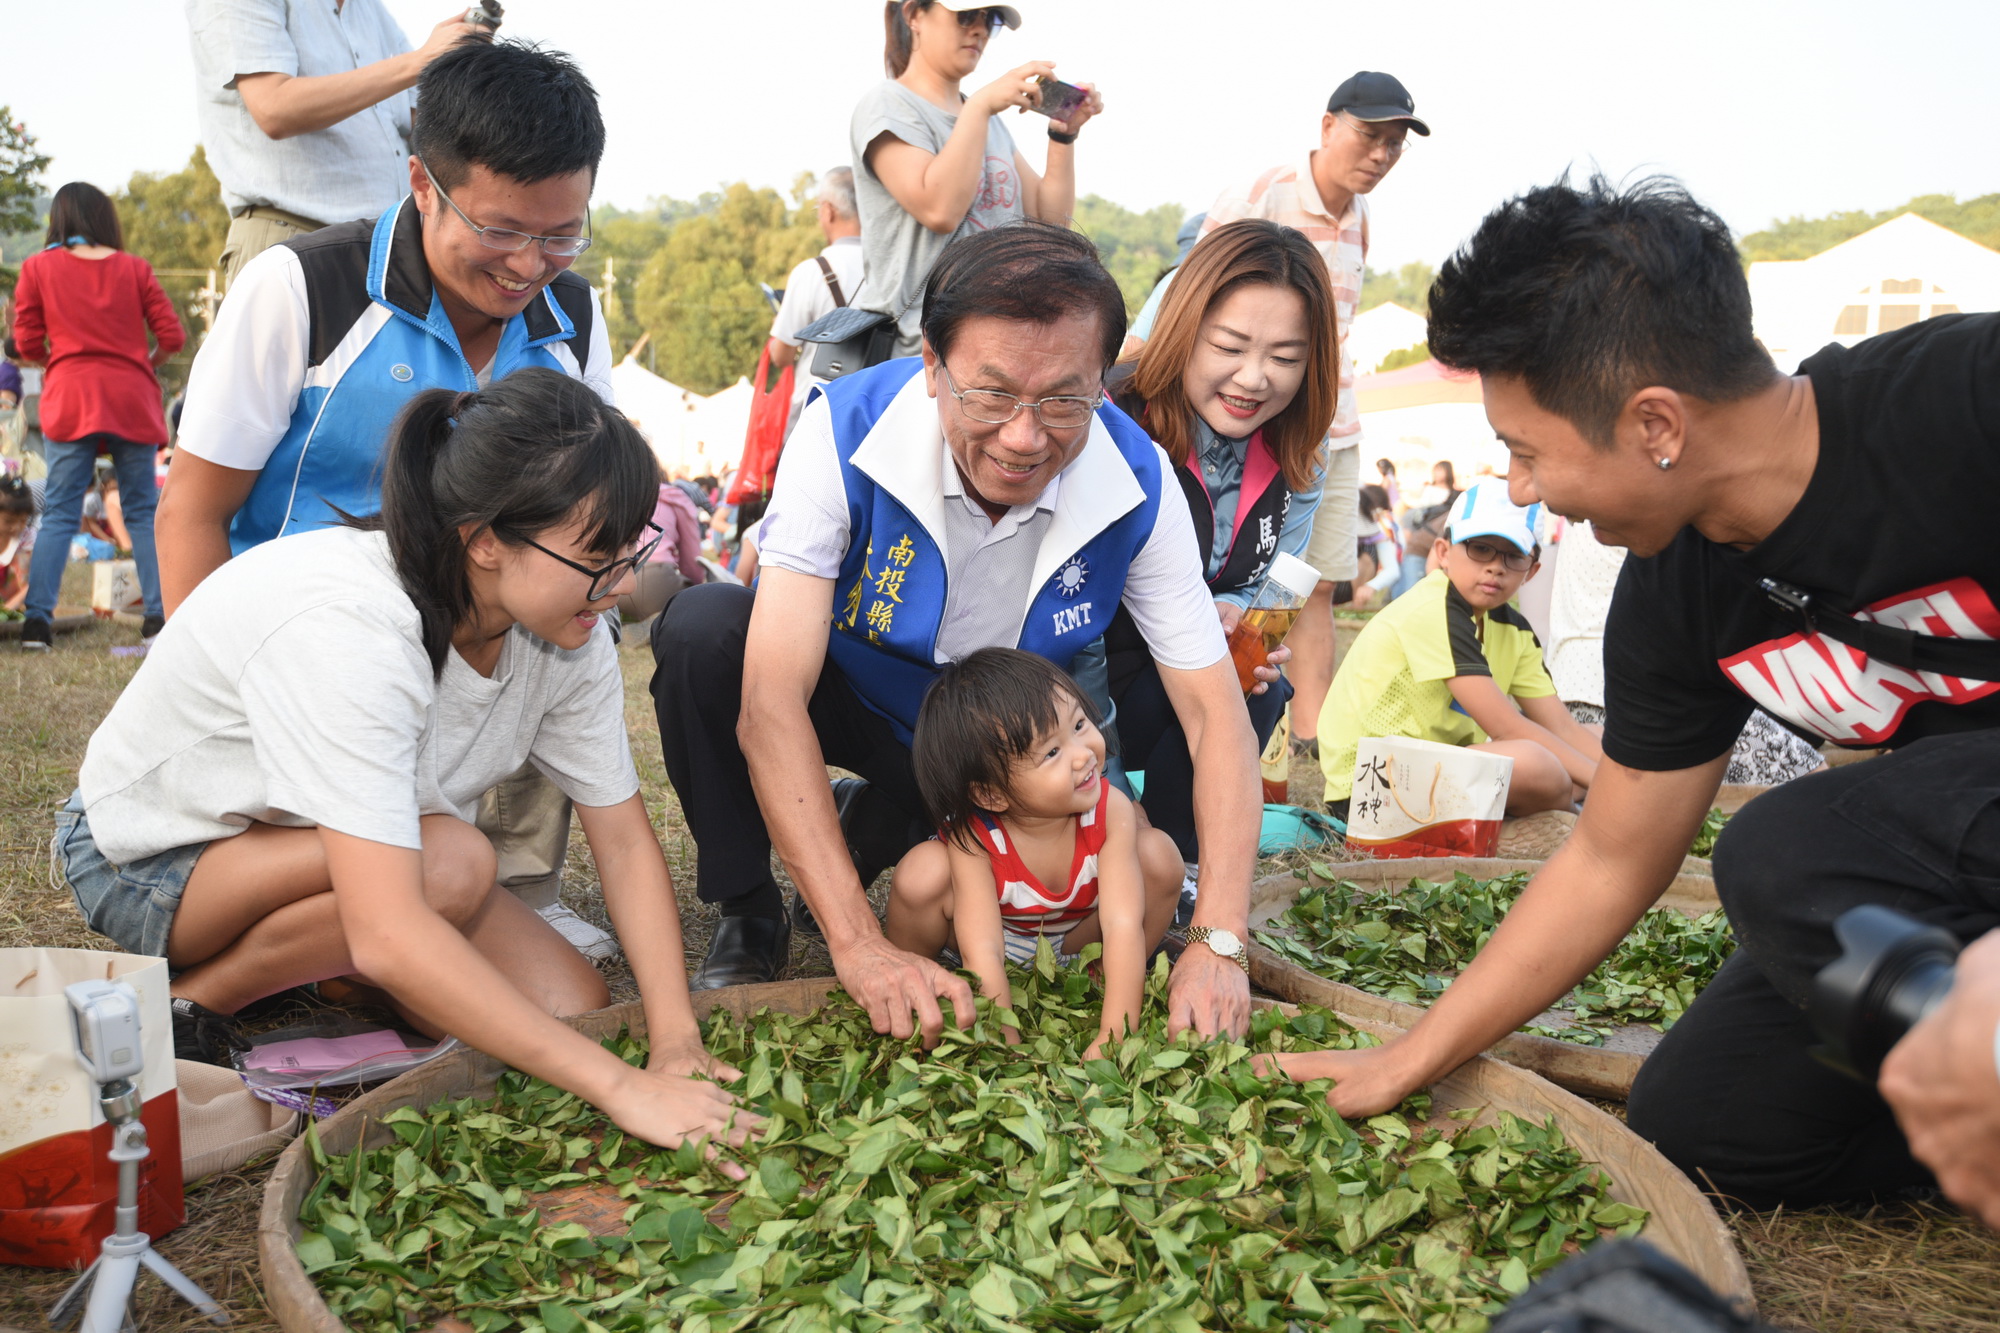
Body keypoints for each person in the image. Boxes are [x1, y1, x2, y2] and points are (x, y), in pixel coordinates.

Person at [1273, 173, 2000, 1214]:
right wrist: (1406, 1057)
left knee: (1783, 851)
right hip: (1949, 872)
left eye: (1526, 453)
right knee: (1708, 1126)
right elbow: (1611, 854)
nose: (1519, 491)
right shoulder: (1680, 587)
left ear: (1653, 421)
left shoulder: (1958, 404)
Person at [56, 370, 760, 1163]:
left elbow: (625, 840)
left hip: (311, 847)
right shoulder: (357, 626)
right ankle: (193, 1000)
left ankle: (324, 973)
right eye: (598, 554)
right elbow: (390, 930)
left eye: (632, 547)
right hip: (149, 859)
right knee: (453, 864)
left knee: (569, 1004)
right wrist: (623, 1087)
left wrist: (673, 1036)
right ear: (485, 538)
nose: (624, 584)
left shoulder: (568, 632)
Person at [650, 223, 1262, 1046]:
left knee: (944, 857)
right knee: (705, 631)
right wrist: (860, 946)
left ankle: (883, 816)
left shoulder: (1137, 479)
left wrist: (1220, 937)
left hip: (989, 740)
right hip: (852, 694)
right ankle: (749, 906)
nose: (1024, 437)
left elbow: (1215, 712)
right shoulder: (843, 431)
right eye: (992, 394)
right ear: (932, 366)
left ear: (1103, 387)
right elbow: (770, 701)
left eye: (1064, 400)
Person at [159, 38, 617, 959]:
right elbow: (194, 509)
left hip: (467, 654)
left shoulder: (572, 316)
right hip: (310, 665)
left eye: (561, 232)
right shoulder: (303, 289)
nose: (530, 265)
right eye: (499, 229)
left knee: (568, 595)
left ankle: (523, 874)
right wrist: (209, 687)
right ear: (420, 181)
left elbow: (591, 513)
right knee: (407, 900)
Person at [1106, 217, 1337, 865]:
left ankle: (1179, 859)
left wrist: (1249, 620)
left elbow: (1283, 586)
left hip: (1186, 675)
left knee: (1256, 674)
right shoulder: (1112, 419)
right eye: (1231, 346)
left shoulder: (1302, 458)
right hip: (1084, 668)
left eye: (1286, 358)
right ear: (1184, 330)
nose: (1255, 378)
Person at [884, 648, 1182, 1058]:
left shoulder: (1110, 810)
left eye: (1079, 724)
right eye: (1052, 753)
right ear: (990, 793)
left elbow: (1122, 923)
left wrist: (1114, 1034)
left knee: (1161, 857)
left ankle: (1100, 984)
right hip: (1000, 940)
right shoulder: (975, 836)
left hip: (1076, 940)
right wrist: (1006, 1044)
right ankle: (915, 985)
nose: (1083, 754)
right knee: (919, 874)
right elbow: (983, 947)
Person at [1318, 479, 1600, 821]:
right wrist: (1607, 789)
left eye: (1513, 556)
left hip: (1439, 769)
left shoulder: (1514, 629)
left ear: (1532, 570)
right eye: (1480, 549)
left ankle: (1558, 818)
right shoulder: (1433, 607)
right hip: (1373, 788)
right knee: (1538, 764)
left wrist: (1621, 780)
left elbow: (1562, 727)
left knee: (1601, 739)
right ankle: (1580, 825)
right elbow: (1508, 729)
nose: (1495, 566)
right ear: (1443, 553)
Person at [851, 0, 1102, 358]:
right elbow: (939, 209)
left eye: (991, 19)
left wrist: (1062, 135)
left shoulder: (985, 118)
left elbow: (1051, 226)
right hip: (916, 357)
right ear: (914, 15)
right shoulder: (888, 104)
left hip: (991, 349)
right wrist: (980, 106)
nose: (980, 29)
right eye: (966, 15)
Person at [187, 0, 499, 284]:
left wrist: (458, 68)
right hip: (292, 242)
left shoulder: (369, 10)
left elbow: (420, 119)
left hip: (385, 250)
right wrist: (421, 61)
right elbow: (273, 108)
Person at [10, 182, 185, 650]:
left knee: (62, 512)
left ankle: (37, 626)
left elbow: (26, 342)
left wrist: (57, 363)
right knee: (144, 512)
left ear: (59, 219)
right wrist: (140, 364)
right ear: (105, 220)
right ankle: (158, 620)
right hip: (132, 399)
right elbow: (173, 336)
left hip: (72, 398)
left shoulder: (38, 267)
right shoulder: (135, 269)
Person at [1544, 516, 1824, 785]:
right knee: (1813, 774)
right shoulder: (1659, 514)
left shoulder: (1587, 516)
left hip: (1567, 696)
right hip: (1640, 698)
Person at [766, 166, 866, 431]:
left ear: (828, 210)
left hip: (817, 410)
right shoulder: (893, 270)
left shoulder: (811, 272)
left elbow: (781, 356)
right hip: (872, 408)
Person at [617, 470, 705, 624]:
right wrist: (696, 586)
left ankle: (633, 619)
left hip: (614, 586)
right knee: (698, 602)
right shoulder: (675, 498)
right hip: (657, 583)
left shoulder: (620, 494)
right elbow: (691, 555)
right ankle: (657, 621)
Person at [0, 476, 37, 612]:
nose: (16, 527)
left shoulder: (27, 537)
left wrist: (7, 609)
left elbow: (34, 582)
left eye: (22, 521)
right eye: (9, 521)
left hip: (17, 599)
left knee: (23, 558)